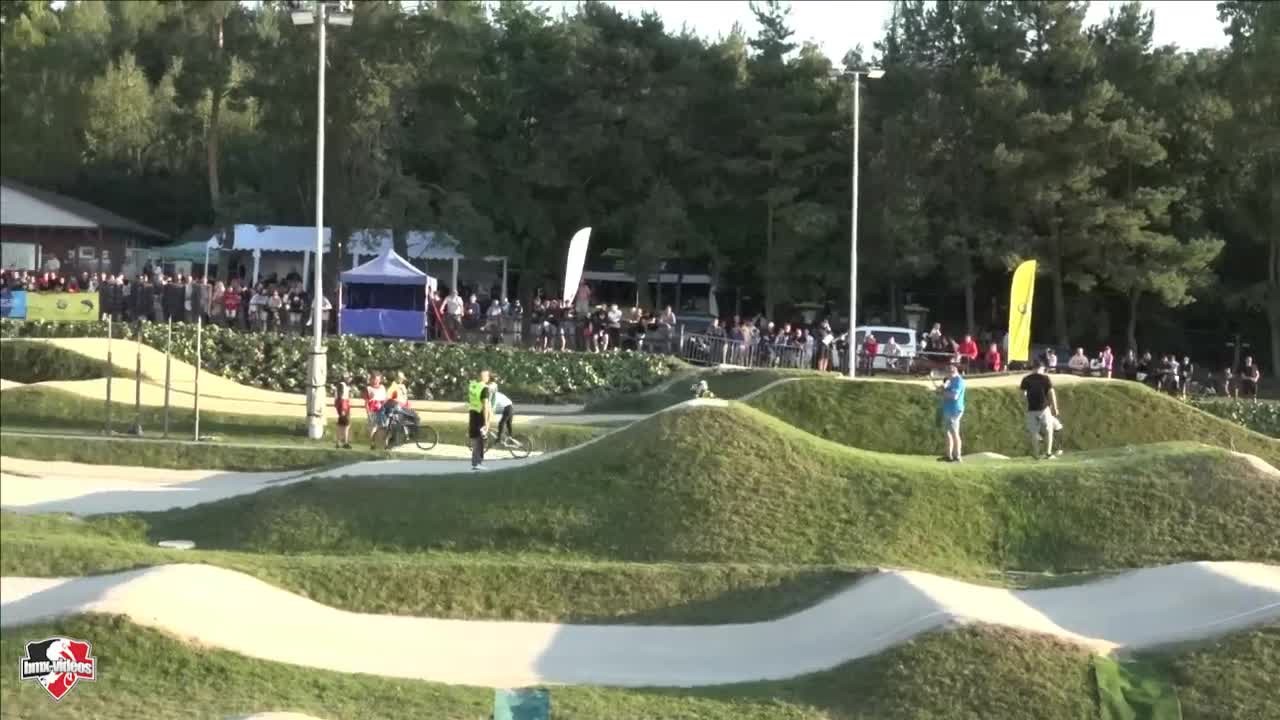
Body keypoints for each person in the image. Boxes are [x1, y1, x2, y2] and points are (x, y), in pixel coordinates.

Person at [1020, 361, 1062, 459]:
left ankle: (1036, 455)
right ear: (1041, 368)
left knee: (1034, 432)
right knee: (1048, 430)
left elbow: (1023, 394)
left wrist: (1026, 404)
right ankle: (1048, 453)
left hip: (1031, 409)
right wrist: (1055, 407)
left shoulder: (1026, 379)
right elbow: (1051, 393)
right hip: (1044, 408)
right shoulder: (1045, 378)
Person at [939, 363, 966, 463]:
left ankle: (957, 456)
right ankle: (948, 455)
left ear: (953, 372)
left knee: (954, 432)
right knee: (948, 432)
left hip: (955, 410)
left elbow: (954, 396)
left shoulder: (959, 381)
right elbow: (945, 388)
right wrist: (942, 388)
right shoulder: (950, 380)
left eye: (948, 373)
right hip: (948, 408)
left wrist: (943, 392)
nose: (947, 375)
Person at [468, 369, 493, 470]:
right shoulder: (484, 388)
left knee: (475, 438)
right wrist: (486, 422)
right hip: (480, 415)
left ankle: (475, 462)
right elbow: (485, 405)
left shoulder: (473, 386)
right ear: (486, 378)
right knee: (480, 439)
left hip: (472, 414)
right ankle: (478, 462)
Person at [488, 379, 516, 445]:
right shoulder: (498, 394)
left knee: (501, 423)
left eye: (489, 390)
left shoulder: (495, 396)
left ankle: (499, 439)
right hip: (511, 408)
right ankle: (511, 438)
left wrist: (489, 415)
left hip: (508, 408)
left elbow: (493, 407)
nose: (489, 391)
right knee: (508, 424)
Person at [364, 372, 388, 450]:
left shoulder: (382, 387)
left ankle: (384, 444)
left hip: (382, 410)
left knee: (383, 427)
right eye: (374, 379)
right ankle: (372, 443)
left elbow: (385, 399)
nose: (376, 381)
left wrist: (384, 407)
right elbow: (366, 402)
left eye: (378, 379)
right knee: (373, 428)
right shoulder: (369, 389)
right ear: (371, 379)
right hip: (373, 410)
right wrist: (368, 412)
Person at [334, 370, 354, 449]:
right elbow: (340, 396)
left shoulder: (344, 385)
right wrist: (342, 408)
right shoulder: (341, 385)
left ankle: (339, 442)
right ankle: (344, 442)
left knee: (342, 424)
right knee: (346, 424)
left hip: (345, 404)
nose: (350, 379)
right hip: (343, 404)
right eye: (349, 377)